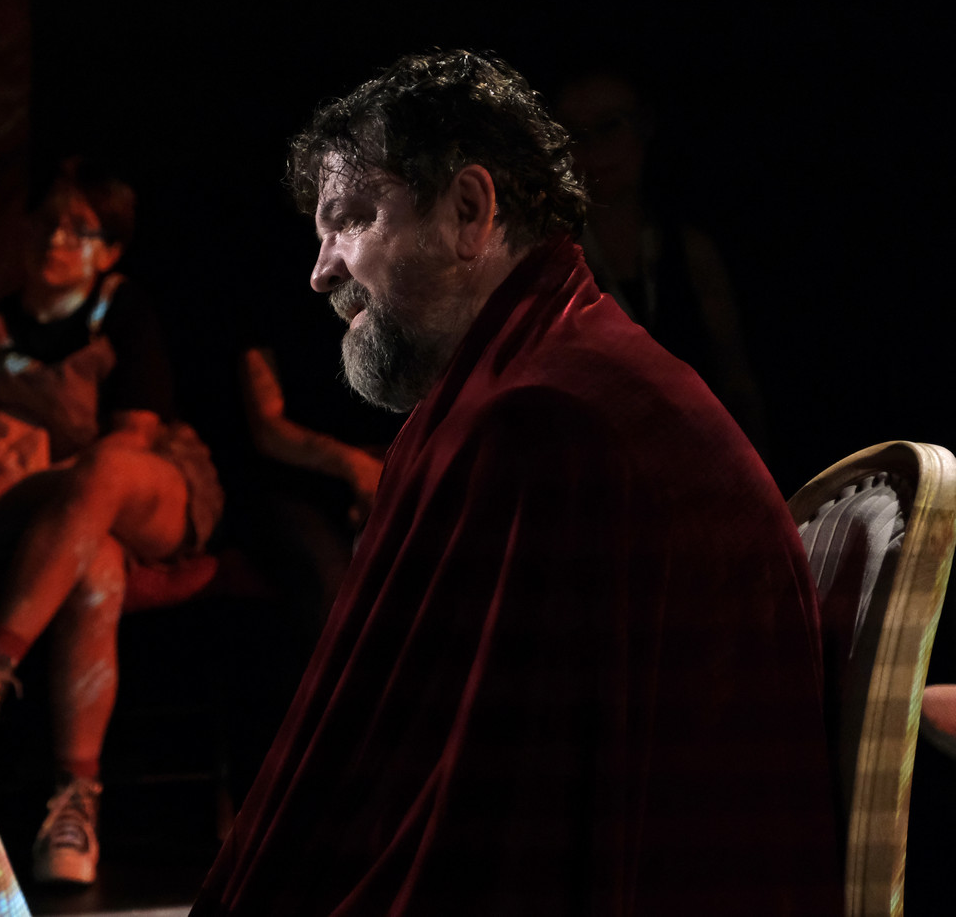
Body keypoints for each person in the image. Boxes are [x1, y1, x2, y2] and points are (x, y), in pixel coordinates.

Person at [191, 50, 840, 915]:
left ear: (469, 209)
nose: (322, 269)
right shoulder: (548, 372)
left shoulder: (547, 420)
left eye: (349, 220)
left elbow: (482, 831)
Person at [0, 158, 224, 885]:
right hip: (48, 521)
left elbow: (134, 436)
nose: (58, 240)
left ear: (111, 249)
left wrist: (31, 469)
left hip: (142, 491)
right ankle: (75, 804)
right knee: (93, 565)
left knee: (104, 469)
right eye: (48, 223)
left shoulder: (120, 309)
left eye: (81, 229)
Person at [556, 70, 769, 452]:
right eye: (574, 133)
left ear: (644, 127)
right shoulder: (551, 266)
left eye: (610, 125)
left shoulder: (691, 253)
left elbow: (738, 385)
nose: (593, 148)